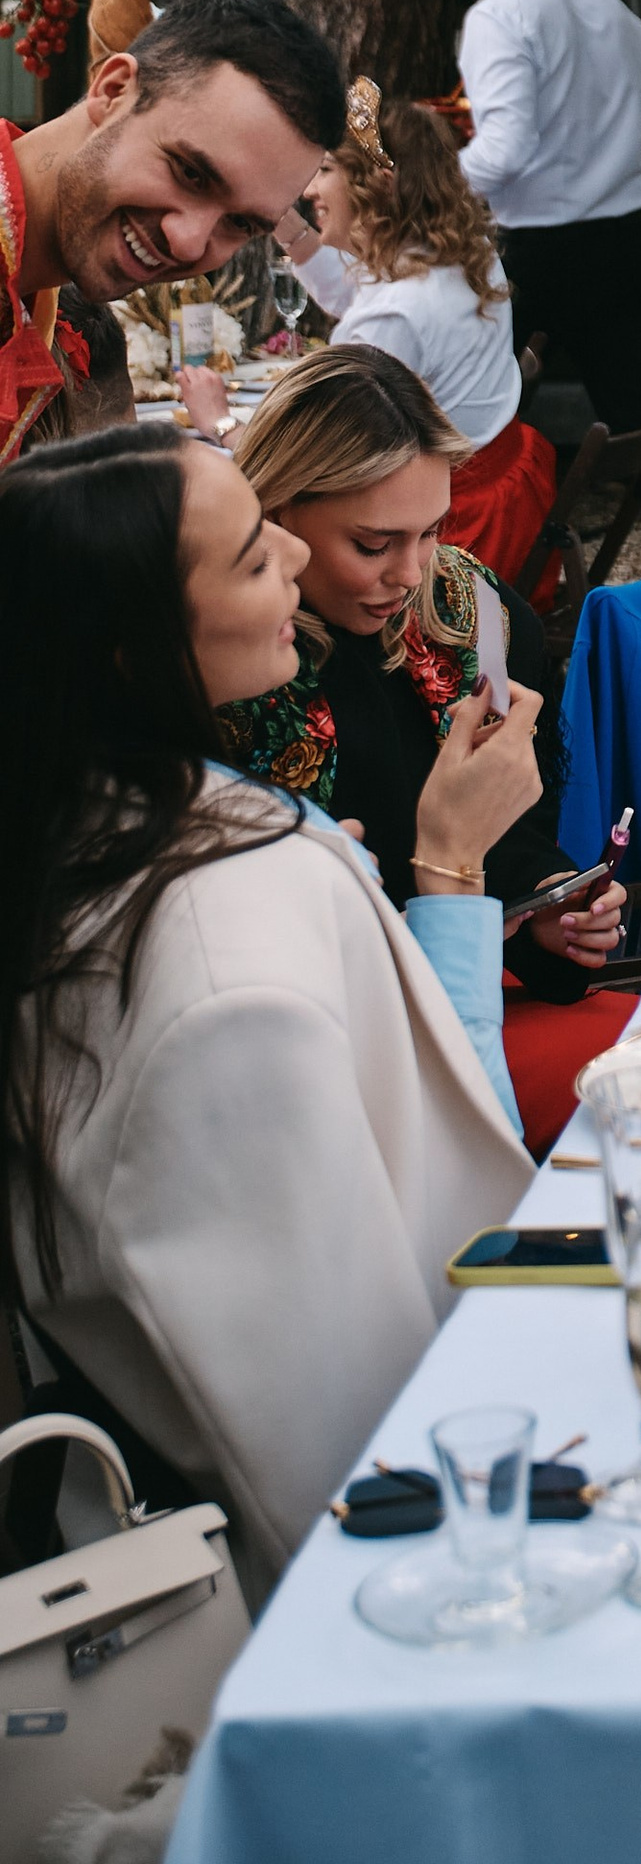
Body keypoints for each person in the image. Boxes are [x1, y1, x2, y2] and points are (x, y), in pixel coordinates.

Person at [0, 424, 534, 1597]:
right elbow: (329, 1412)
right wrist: (445, 868)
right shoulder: (217, 972)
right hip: (413, 1536)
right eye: (252, 555)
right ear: (135, 652)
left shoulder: (102, 828)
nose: (293, 553)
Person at [222, 344, 624, 986]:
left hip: (460, 979)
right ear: (276, 509)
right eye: (374, 544)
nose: (411, 574)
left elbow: (512, 828)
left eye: (433, 531)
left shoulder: (475, 613)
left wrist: (545, 898)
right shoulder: (226, 663)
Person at [0, 0, 343, 466]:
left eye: (240, 223)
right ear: (113, 91)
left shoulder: (38, 305)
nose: (188, 242)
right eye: (190, 173)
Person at [255, 79, 556, 579]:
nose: (308, 190)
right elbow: (350, 294)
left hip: (448, 537)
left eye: (325, 170)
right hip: (504, 495)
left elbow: (320, 455)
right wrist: (283, 223)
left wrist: (221, 425)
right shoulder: (461, 253)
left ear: (380, 185)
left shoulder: (394, 314)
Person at [427, 0, 641, 434]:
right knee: (637, 422)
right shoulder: (615, 10)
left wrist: (424, 189)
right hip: (625, 240)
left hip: (537, 251)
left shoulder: (497, 18)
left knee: (468, 418)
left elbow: (504, 151)